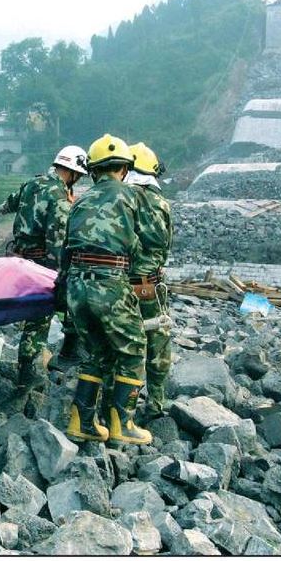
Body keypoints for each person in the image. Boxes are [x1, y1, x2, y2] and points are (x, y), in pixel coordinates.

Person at [59, 134, 149, 445]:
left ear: (94, 171)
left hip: (76, 285)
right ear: (124, 169)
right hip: (109, 282)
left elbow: (65, 249)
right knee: (133, 347)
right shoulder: (133, 196)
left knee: (96, 351)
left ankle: (82, 421)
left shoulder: (80, 201)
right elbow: (148, 242)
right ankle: (122, 423)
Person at [10, 145, 88, 417]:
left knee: (33, 321)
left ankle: (25, 374)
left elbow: (7, 205)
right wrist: (59, 278)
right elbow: (57, 241)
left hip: (20, 260)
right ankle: (53, 364)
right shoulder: (59, 197)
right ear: (74, 173)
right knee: (53, 314)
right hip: (43, 263)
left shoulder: (31, 184)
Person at [125, 142, 174, 422]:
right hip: (148, 286)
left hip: (115, 285)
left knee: (120, 343)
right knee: (157, 343)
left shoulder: (116, 199)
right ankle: (155, 403)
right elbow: (166, 246)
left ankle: (119, 406)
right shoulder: (160, 203)